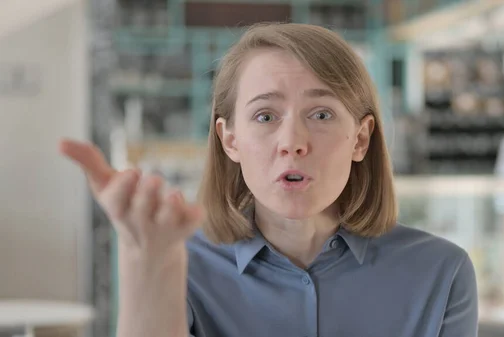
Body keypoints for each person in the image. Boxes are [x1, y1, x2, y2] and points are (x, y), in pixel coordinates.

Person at [59, 23, 478, 337]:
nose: (292, 143)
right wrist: (146, 259)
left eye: (321, 114)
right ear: (230, 140)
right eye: (265, 116)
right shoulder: (184, 263)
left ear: (361, 138)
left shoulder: (441, 273)